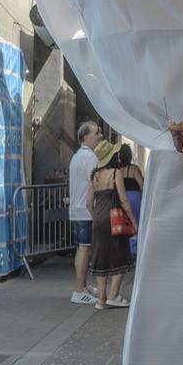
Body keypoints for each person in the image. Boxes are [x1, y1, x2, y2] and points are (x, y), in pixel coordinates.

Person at [88, 141, 137, 309]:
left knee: (101, 257)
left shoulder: (94, 175)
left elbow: (89, 203)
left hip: (97, 219)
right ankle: (114, 295)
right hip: (113, 219)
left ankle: (101, 300)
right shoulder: (115, 173)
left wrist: (96, 216)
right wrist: (133, 220)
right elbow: (124, 200)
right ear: (111, 157)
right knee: (121, 253)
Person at [67, 121, 103, 305]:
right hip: (86, 210)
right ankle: (80, 290)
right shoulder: (90, 158)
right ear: (85, 137)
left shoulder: (77, 156)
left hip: (78, 209)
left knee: (83, 248)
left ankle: (83, 286)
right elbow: (93, 183)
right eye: (97, 132)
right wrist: (93, 208)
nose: (100, 135)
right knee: (85, 249)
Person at [118, 144, 146, 257]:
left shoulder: (117, 170)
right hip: (135, 199)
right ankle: (134, 250)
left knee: (124, 225)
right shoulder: (134, 169)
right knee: (136, 224)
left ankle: (124, 251)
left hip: (122, 198)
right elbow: (142, 184)